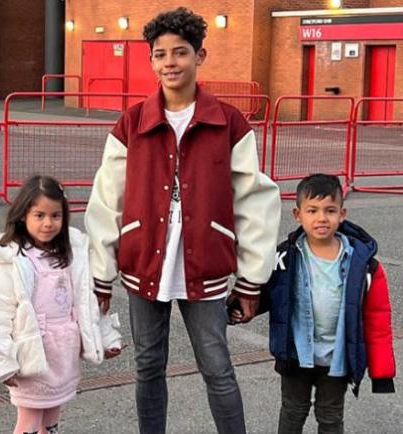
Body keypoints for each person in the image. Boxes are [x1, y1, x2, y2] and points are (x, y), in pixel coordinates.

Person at [84, 7, 281, 434]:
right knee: (148, 366)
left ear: (199, 56)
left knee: (217, 366)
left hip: (205, 265)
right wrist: (100, 275)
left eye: (180, 52)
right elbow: (107, 200)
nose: (170, 62)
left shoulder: (228, 122)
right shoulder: (132, 123)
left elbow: (254, 201)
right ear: (151, 61)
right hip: (144, 263)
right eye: (160, 54)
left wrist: (252, 279)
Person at [0, 175, 122, 434]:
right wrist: (1, 361)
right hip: (32, 353)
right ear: (23, 215)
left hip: (63, 353)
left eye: (56, 216)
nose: (48, 223)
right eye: (39, 215)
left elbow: (86, 303)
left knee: (52, 420)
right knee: (30, 422)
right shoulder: (12, 260)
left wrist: (106, 337)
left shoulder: (72, 254)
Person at [256, 174, 396, 434]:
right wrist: (237, 307)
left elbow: (378, 319)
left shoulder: (363, 265)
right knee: (292, 411)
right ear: (298, 215)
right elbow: (262, 292)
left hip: (337, 357)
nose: (321, 218)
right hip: (296, 353)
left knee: (330, 416)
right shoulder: (284, 257)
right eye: (312, 210)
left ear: (342, 214)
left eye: (330, 210)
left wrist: (382, 372)